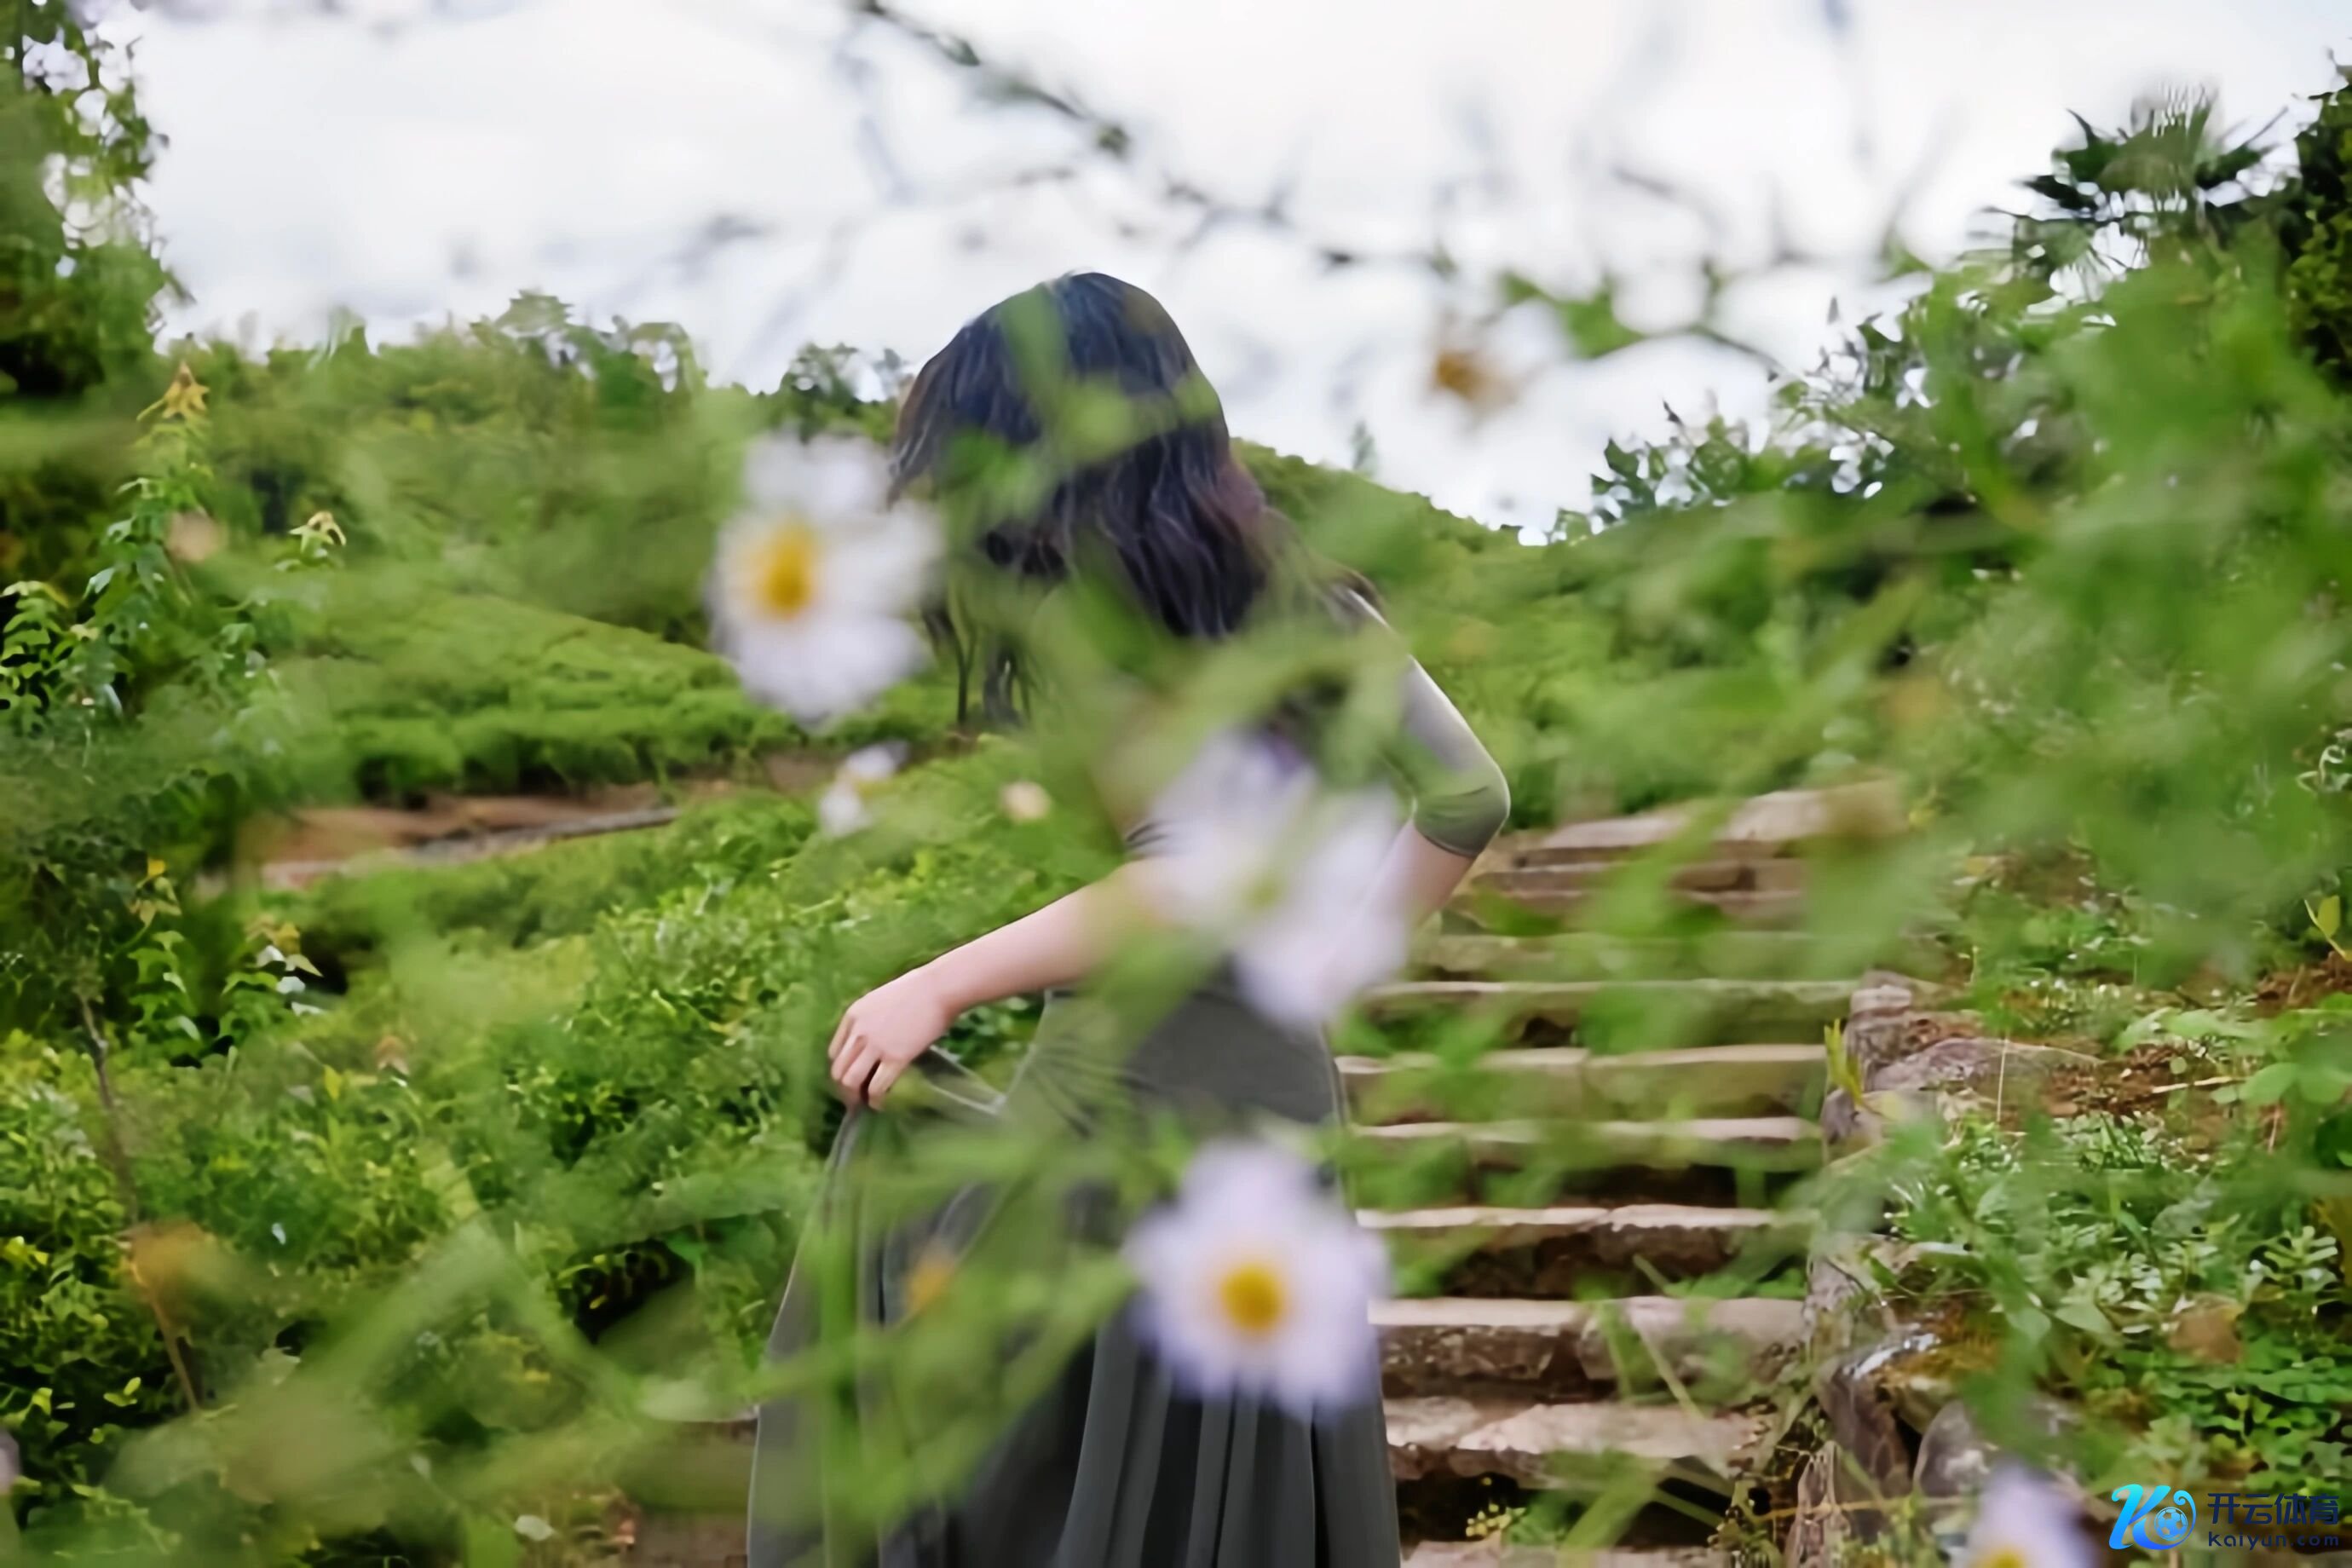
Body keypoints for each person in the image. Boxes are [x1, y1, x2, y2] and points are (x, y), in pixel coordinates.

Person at [747, 272, 1508, 1568]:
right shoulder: (1310, 602)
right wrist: (1330, 968)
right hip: (1266, 1087)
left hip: (1134, 1080)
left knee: (976, 1414)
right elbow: (1469, 796)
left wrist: (940, 982)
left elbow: (1186, 874)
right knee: (1176, 1473)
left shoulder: (1108, 619)